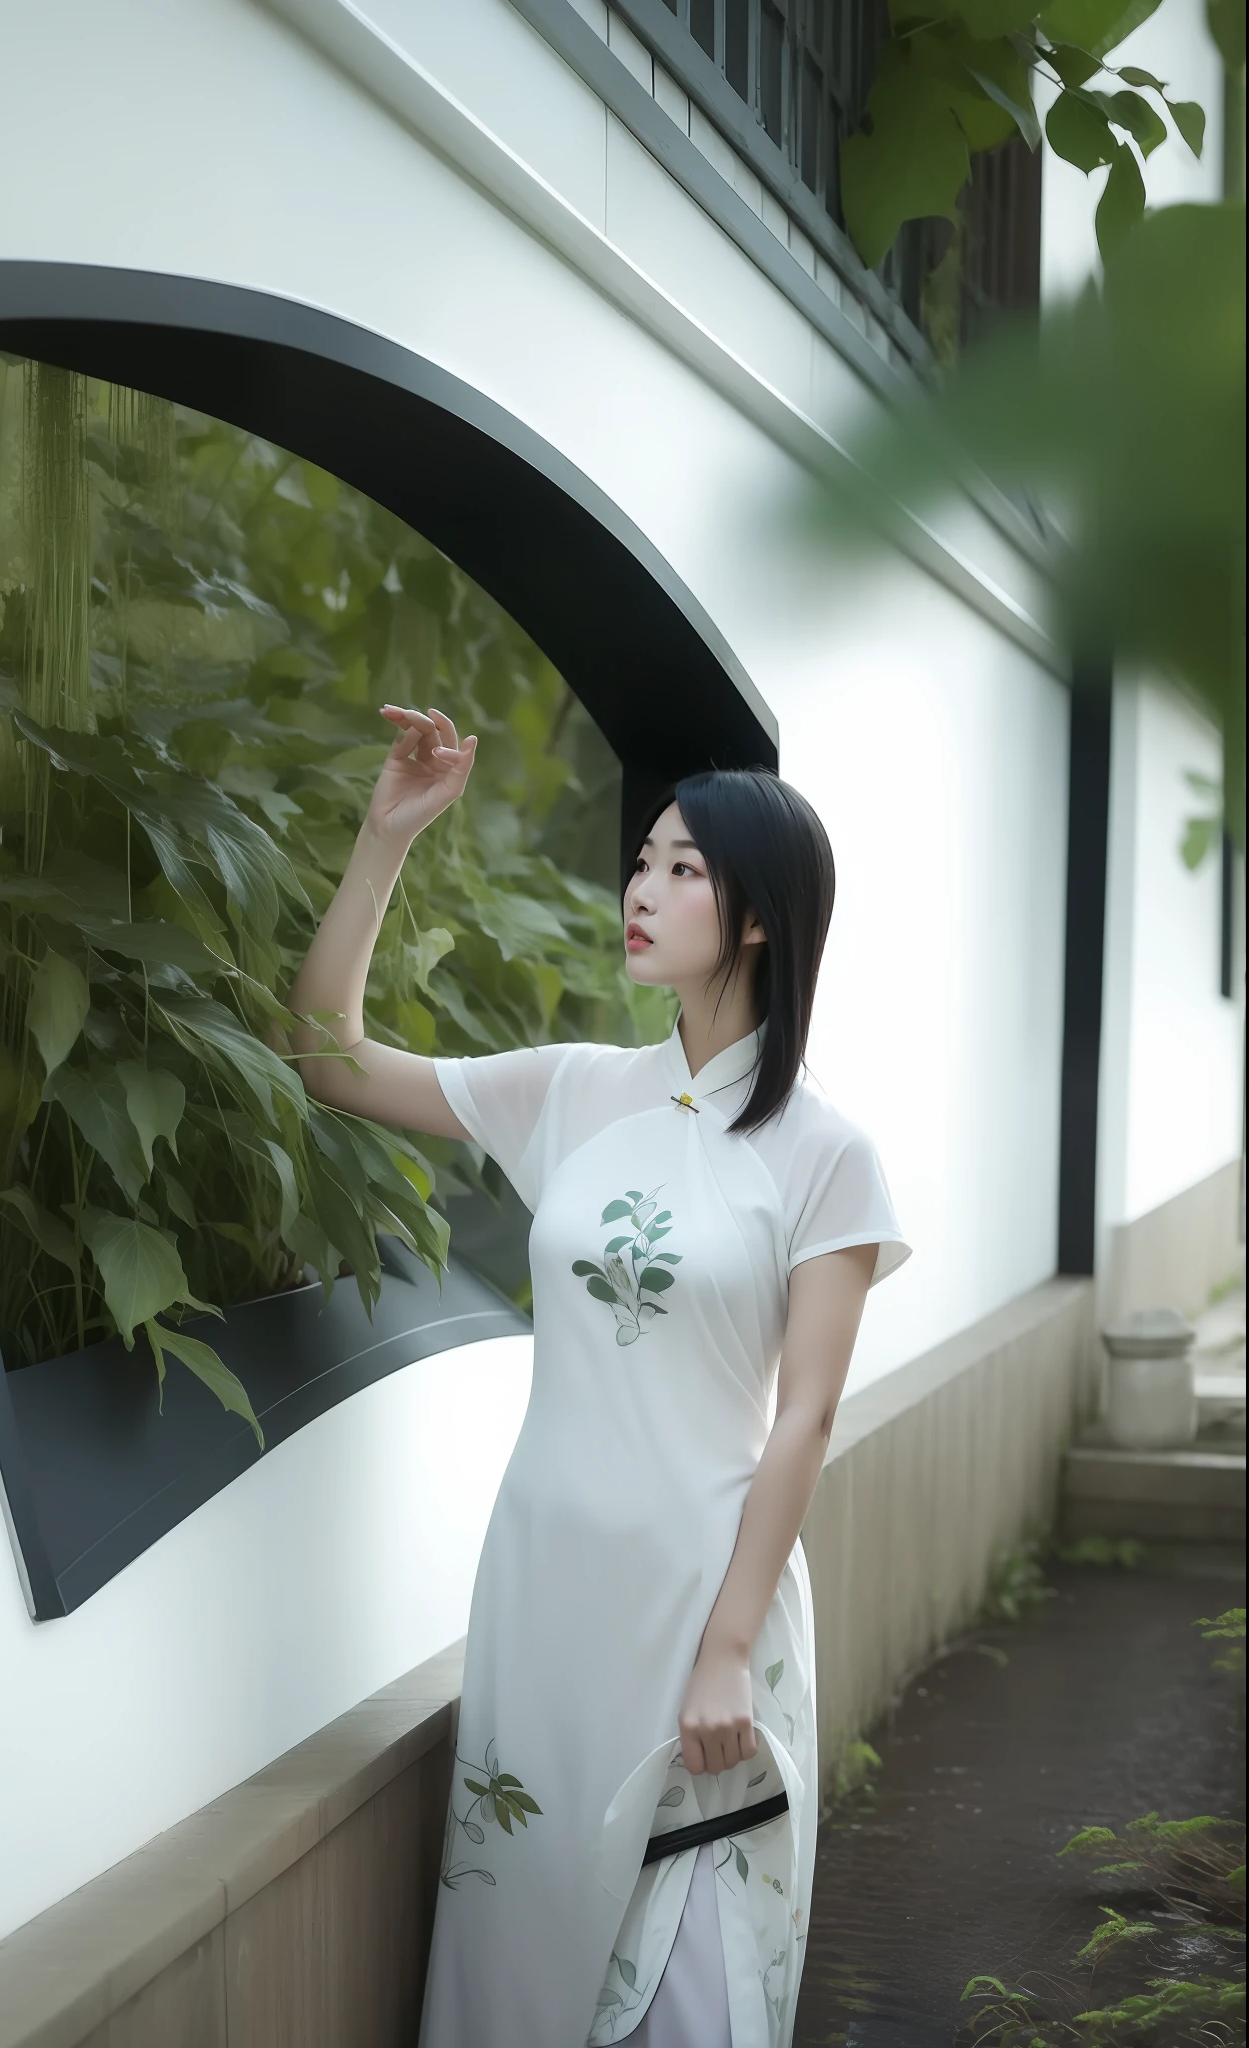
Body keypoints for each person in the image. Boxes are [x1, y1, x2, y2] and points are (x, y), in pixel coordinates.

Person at [291, 704, 911, 2047]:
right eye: (644, 861)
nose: (643, 889)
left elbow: (805, 1413)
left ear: (758, 917)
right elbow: (328, 1057)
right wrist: (383, 842)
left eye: (685, 868)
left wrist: (732, 1646)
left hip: (704, 1604)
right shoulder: (571, 1092)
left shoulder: (826, 1155)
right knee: (517, 1936)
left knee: (689, 1992)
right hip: (544, 1594)